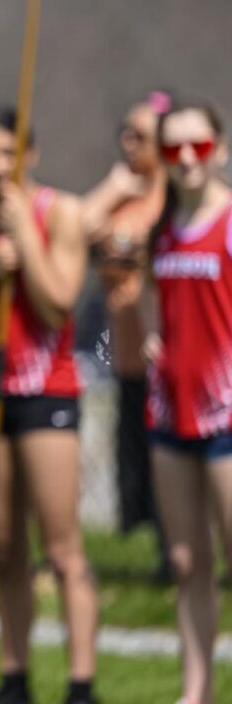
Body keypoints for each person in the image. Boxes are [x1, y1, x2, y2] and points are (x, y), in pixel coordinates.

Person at [0, 106, 99, 704]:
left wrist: (24, 241)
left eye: (7, 153)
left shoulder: (60, 212)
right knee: (7, 544)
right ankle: (15, 677)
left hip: (47, 393)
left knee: (62, 545)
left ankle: (81, 682)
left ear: (29, 154)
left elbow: (59, 302)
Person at [143, 95, 232, 704]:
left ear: (218, 150)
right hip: (171, 413)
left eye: (197, 146)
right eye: (172, 147)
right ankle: (193, 692)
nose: (185, 159)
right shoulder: (163, 227)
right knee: (185, 559)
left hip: (226, 413)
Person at [81, 93, 171, 571]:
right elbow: (79, 227)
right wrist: (115, 187)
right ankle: (156, 553)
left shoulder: (172, 196)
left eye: (140, 135)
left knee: (170, 464)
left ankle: (175, 558)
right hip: (126, 354)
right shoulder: (124, 197)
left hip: (168, 356)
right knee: (137, 466)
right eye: (125, 132)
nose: (127, 142)